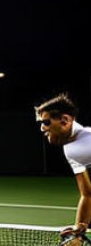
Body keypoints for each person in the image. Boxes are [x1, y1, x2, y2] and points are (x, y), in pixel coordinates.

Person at [35, 93, 91, 237]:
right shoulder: (70, 149)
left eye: (46, 122)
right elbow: (87, 194)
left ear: (65, 120)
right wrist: (80, 226)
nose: (42, 128)